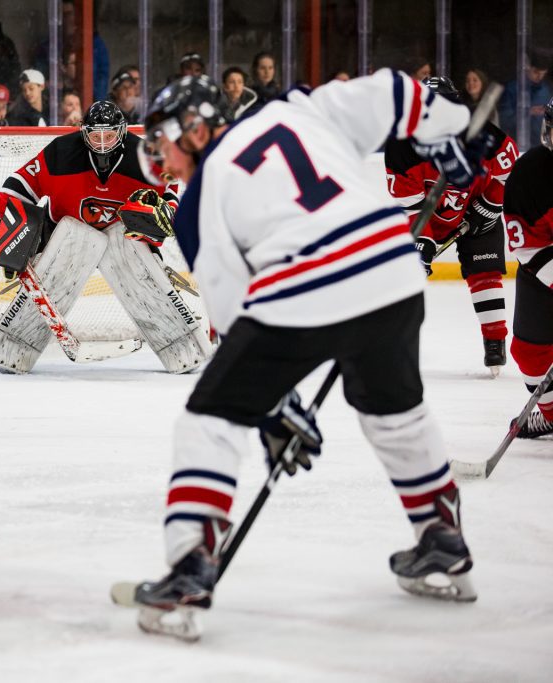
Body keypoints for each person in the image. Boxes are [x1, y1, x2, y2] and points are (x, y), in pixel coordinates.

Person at [126, 71, 485, 641]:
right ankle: (442, 538)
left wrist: (271, 407)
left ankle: (191, 564)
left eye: (164, 140)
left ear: (195, 128)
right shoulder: (296, 110)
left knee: (210, 421)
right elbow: (393, 92)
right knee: (395, 411)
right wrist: (450, 132)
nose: (161, 157)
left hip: (302, 287)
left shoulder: (204, 191)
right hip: (390, 272)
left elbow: (232, 309)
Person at [0, 100, 211, 374]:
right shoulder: (61, 152)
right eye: (96, 135)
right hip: (65, 236)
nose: (103, 143)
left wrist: (168, 207)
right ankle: (11, 349)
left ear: (122, 131)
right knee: (70, 243)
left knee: (132, 253)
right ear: (84, 133)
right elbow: (15, 188)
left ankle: (184, 349)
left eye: (109, 135)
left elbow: (172, 182)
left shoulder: (144, 155)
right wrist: (15, 232)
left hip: (126, 237)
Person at [385, 76, 518, 375]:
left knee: (484, 269)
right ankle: (394, 345)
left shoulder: (478, 130)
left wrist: (492, 204)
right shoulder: (400, 146)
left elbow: (510, 168)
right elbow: (412, 208)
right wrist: (422, 243)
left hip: (476, 207)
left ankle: (495, 342)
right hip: (429, 216)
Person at [502, 97, 553, 438]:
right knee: (529, 351)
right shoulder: (529, 174)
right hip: (543, 269)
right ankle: (551, 413)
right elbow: (529, 247)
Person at [497, 49, 551, 149]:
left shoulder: (545, 90)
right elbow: (504, 122)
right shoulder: (512, 89)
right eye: (536, 72)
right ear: (527, 68)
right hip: (518, 147)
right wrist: (528, 112)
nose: (539, 77)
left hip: (541, 148)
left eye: (543, 73)